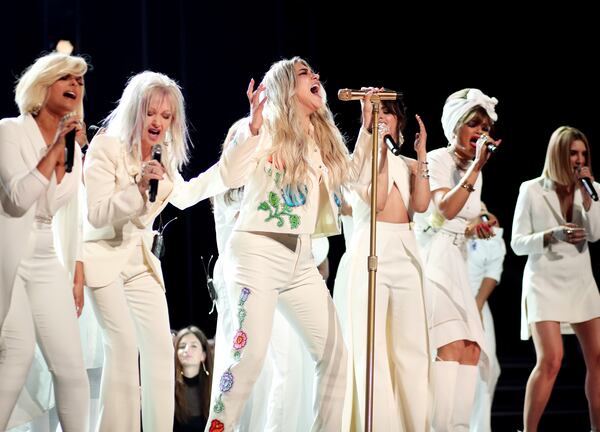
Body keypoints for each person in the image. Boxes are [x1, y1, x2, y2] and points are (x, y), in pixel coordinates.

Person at [206, 56, 372, 432]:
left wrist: (366, 128)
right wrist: (252, 126)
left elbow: (353, 178)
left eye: (314, 72)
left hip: (300, 261)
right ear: (284, 86)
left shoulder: (317, 137)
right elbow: (228, 174)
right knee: (247, 360)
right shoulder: (263, 128)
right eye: (304, 73)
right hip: (256, 254)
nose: (315, 76)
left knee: (335, 356)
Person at [82, 71, 224, 432]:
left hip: (140, 264)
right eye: (151, 113)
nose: (158, 121)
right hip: (103, 259)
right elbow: (96, 214)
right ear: (135, 112)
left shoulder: (164, 163)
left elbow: (191, 192)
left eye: (166, 115)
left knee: (161, 351)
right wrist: (139, 186)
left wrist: (249, 144)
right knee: (124, 349)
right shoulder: (106, 147)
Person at [0, 52, 90, 431]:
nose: (75, 85)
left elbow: (54, 205)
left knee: (72, 369)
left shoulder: (72, 146)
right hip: (8, 255)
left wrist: (68, 152)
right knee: (16, 356)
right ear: (43, 84)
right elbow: (18, 199)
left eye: (80, 81)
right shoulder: (8, 130)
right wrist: (53, 151)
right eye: (66, 78)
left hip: (44, 256)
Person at [334, 93, 431, 431]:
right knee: (370, 345)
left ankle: (413, 423)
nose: (383, 117)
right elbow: (373, 201)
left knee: (410, 348)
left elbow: (420, 205)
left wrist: (420, 156)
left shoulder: (408, 164)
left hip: (405, 251)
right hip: (370, 252)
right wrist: (377, 148)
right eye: (377, 112)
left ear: (398, 121)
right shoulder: (356, 162)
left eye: (387, 112)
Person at [414, 88, 500, 431]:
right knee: (448, 347)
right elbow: (441, 213)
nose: (480, 133)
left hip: (459, 265)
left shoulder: (472, 169)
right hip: (434, 261)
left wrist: (482, 222)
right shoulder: (437, 159)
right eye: (473, 125)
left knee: (472, 351)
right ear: (455, 127)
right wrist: (476, 168)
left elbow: (469, 214)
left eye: (485, 127)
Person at [511, 125, 600, 432]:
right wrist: (551, 235)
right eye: (573, 153)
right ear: (558, 154)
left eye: (583, 153)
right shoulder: (532, 189)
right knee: (551, 360)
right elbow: (517, 243)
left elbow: (597, 235)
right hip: (544, 282)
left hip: (580, 281)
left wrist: (589, 202)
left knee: (598, 357)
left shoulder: (592, 188)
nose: (579, 159)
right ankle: (529, 430)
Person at [466, 204, 506, 432]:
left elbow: (494, 268)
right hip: (445, 299)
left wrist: (478, 304)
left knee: (488, 367)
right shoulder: (442, 216)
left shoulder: (486, 222)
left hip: (477, 302)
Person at [174, 326, 214, 432]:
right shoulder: (170, 389)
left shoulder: (213, 389)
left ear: (203, 356)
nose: (186, 350)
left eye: (194, 346)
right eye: (182, 346)